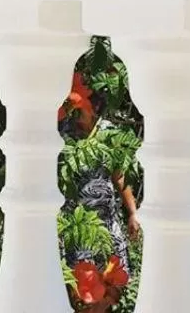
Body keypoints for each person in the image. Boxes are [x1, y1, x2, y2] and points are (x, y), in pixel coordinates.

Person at [59, 71, 140, 311]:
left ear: (93, 107)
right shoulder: (63, 131)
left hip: (106, 224)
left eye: (82, 108)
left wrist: (132, 212)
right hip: (77, 225)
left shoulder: (107, 132)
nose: (78, 113)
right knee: (79, 291)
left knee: (111, 287)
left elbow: (119, 174)